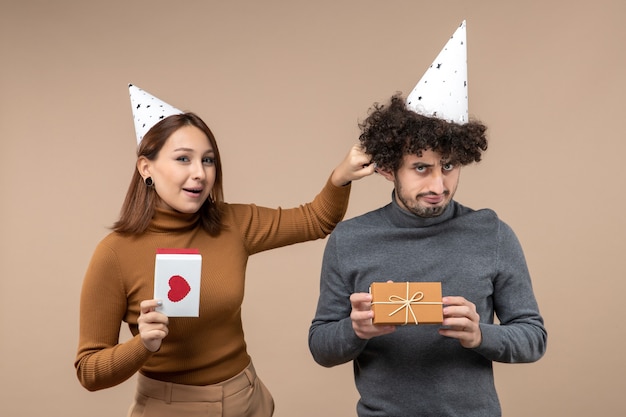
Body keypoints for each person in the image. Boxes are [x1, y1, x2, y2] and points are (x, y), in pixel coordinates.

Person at [75, 86, 375, 417]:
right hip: (169, 407)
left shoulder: (233, 223)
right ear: (146, 168)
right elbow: (89, 371)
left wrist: (342, 175)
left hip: (246, 399)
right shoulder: (114, 254)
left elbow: (315, 220)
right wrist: (142, 344)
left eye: (208, 160)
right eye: (183, 159)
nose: (199, 173)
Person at [308, 94, 547, 417]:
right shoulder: (350, 240)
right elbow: (321, 347)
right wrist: (355, 330)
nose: (439, 184)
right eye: (421, 168)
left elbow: (533, 337)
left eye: (448, 166)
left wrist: (480, 334)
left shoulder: (492, 233)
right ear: (388, 170)